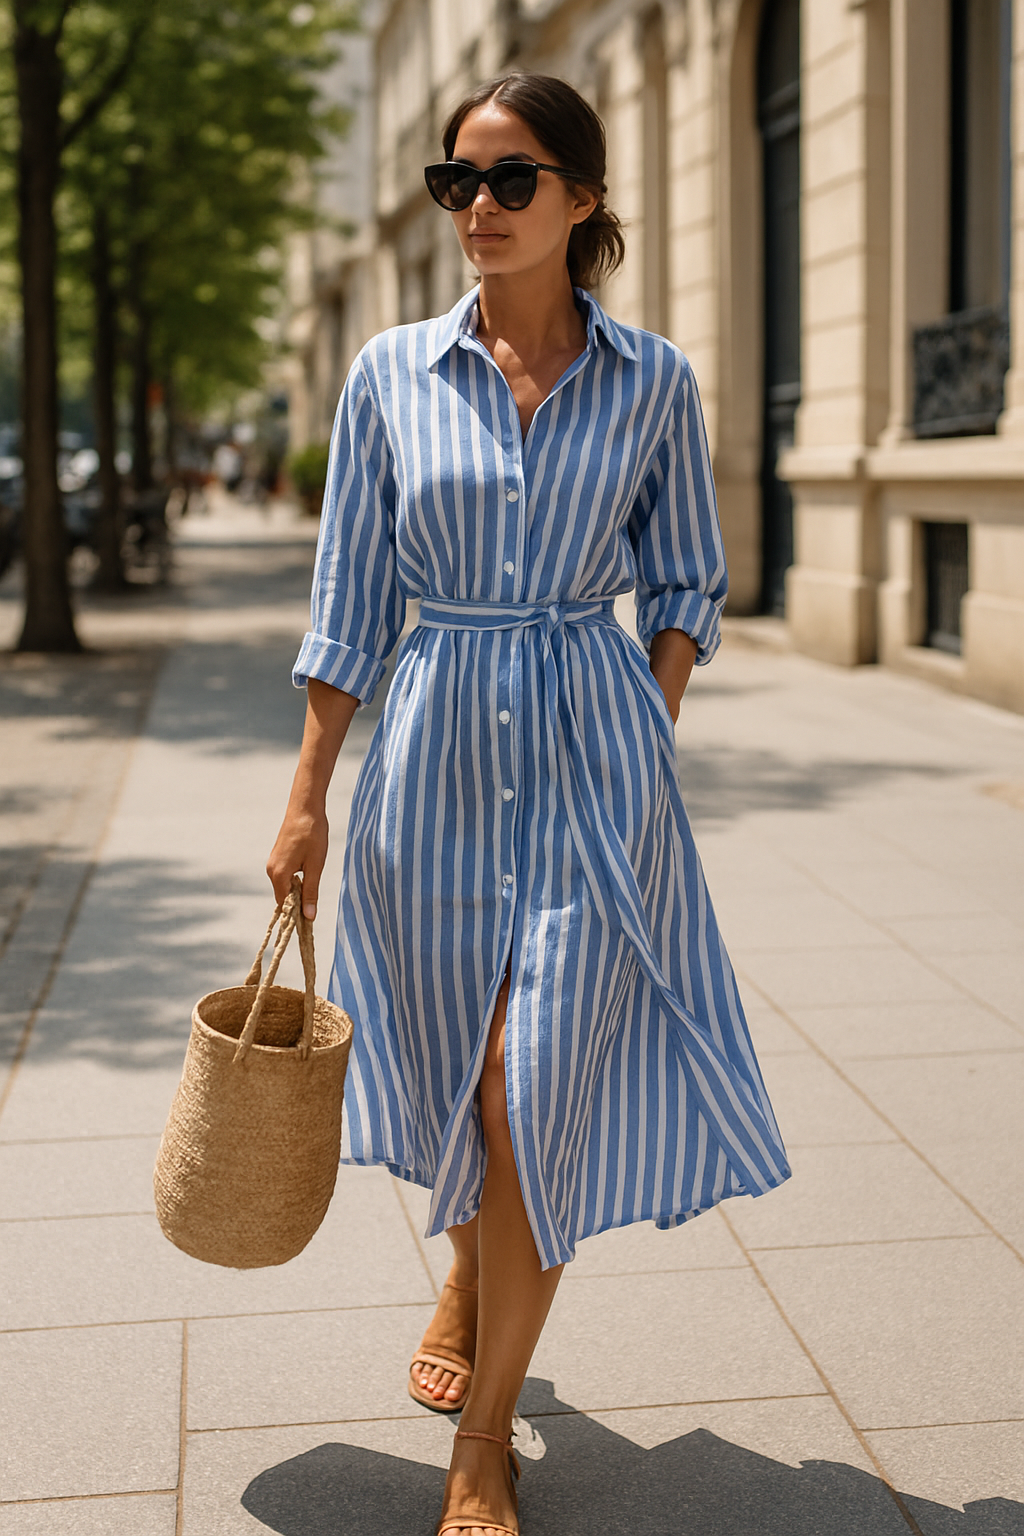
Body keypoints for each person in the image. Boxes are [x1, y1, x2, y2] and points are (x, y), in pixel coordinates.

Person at [269, 70, 790, 1536]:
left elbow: (687, 578)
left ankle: (484, 1442)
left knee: (533, 1082)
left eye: (508, 183)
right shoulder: (386, 376)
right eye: (457, 185)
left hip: (589, 766)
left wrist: (649, 718)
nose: (477, 211)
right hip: (429, 764)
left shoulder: (654, 384)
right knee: (466, 1072)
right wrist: (306, 804)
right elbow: (348, 609)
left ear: (584, 198)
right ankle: (471, 1262)